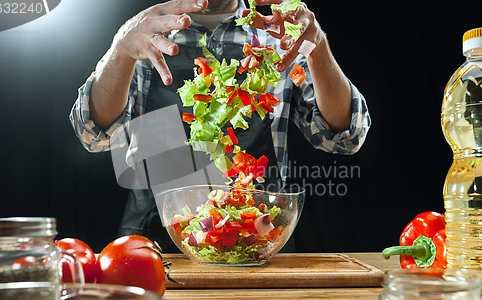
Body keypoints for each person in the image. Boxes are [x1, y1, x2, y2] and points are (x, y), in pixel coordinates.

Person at [69, 0, 371, 252]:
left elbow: (347, 135)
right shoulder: (146, 34)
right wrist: (121, 49)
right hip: (153, 251)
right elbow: (93, 133)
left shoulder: (279, 37)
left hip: (258, 246)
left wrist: (317, 48)